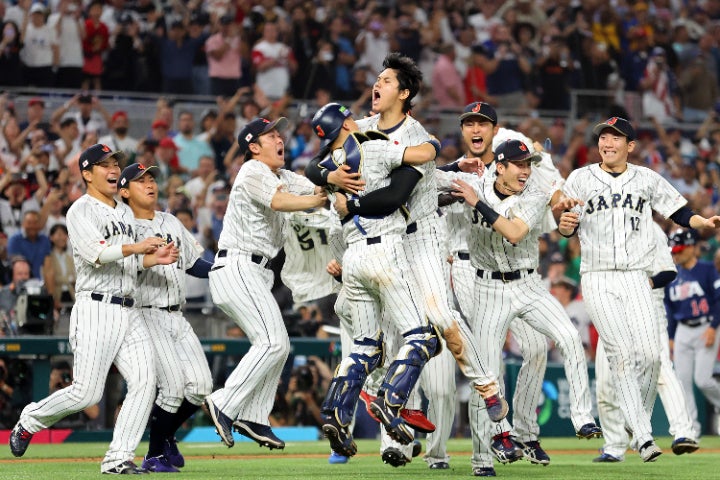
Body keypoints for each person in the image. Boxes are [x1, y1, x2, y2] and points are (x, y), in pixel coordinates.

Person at [310, 54, 508, 468]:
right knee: (393, 336)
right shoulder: (360, 127)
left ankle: (488, 387)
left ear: (403, 93)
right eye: (376, 78)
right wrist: (329, 177)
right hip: (383, 244)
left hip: (421, 236)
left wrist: (441, 162)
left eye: (385, 80)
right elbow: (316, 164)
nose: (375, 85)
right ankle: (392, 426)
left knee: (441, 319)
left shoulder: (417, 136)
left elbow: (400, 187)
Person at [8, 143, 179, 474]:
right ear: (87, 174)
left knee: (146, 380)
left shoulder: (126, 212)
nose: (113, 168)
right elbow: (98, 254)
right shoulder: (79, 211)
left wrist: (149, 259)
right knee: (86, 394)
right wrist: (136, 247)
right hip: (95, 308)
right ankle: (30, 419)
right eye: (104, 164)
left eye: (114, 162)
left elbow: (128, 262)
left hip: (130, 309)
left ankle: (118, 458)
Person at [558, 116, 720, 462]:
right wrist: (566, 225)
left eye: (616, 138)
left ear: (630, 146)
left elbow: (678, 210)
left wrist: (702, 222)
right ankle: (644, 438)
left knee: (650, 356)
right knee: (619, 354)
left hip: (635, 276)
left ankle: (637, 422)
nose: (608, 142)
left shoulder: (645, 178)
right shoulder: (581, 178)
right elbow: (566, 223)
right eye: (604, 137)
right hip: (598, 275)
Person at [451, 139, 601, 475]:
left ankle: (582, 417)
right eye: (518, 164)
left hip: (529, 283)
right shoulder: (475, 185)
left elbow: (515, 232)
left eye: (528, 163)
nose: (525, 170)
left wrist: (477, 204)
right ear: (499, 167)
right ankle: (482, 458)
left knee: (569, 337)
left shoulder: (534, 192)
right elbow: (435, 191)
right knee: (487, 376)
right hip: (487, 287)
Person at [309, 102, 443, 460]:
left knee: (366, 345)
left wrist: (329, 178)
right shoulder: (374, 144)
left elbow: (313, 169)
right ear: (347, 121)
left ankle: (337, 413)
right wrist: (434, 142)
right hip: (385, 251)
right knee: (423, 337)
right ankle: (391, 398)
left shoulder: (331, 163)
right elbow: (425, 153)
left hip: (352, 258)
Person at [203, 117, 326, 450]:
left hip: (256, 272)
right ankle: (224, 403)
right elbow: (280, 202)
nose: (279, 138)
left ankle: (255, 416)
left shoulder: (281, 175)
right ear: (253, 146)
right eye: (271, 135)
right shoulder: (252, 170)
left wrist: (333, 179)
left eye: (279, 133)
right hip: (238, 264)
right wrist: (316, 200)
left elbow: (317, 190)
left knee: (279, 345)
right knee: (272, 342)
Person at [118, 162, 214, 472]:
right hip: (146, 314)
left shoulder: (170, 221)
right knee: (172, 388)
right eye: (140, 180)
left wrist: (225, 268)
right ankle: (154, 455)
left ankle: (166, 435)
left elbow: (193, 263)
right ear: (124, 191)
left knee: (200, 386)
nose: (149, 184)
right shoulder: (122, 227)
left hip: (177, 315)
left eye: (151, 179)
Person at [594, 223, 699, 462]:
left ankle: (682, 431)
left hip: (648, 303)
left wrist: (639, 286)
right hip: (610, 306)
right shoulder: (602, 224)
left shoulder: (651, 230)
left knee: (660, 368)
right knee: (605, 381)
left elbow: (668, 271)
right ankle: (614, 446)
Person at [665, 228, 720, 440]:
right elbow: (669, 309)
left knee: (703, 380)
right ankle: (690, 430)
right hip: (682, 330)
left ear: (691, 248)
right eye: (673, 251)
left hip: (706, 326)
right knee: (682, 382)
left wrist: (713, 327)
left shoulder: (706, 269)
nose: (675, 255)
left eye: (679, 250)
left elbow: (718, 300)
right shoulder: (671, 274)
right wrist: (670, 337)